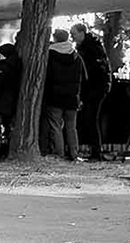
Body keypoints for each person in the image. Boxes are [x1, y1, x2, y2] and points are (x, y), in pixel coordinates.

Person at [43, 27, 84, 161]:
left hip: (54, 96)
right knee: (71, 127)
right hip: (72, 96)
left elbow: (47, 77)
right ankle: (74, 153)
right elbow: (81, 77)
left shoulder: (49, 55)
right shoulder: (76, 56)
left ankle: (58, 153)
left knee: (55, 125)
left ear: (55, 38)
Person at [76, 23, 111, 160]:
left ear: (82, 33)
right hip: (95, 88)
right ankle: (95, 150)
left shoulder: (91, 48)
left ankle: (96, 151)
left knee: (91, 119)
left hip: (94, 88)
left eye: (74, 34)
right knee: (90, 119)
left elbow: (92, 70)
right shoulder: (92, 46)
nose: (73, 38)